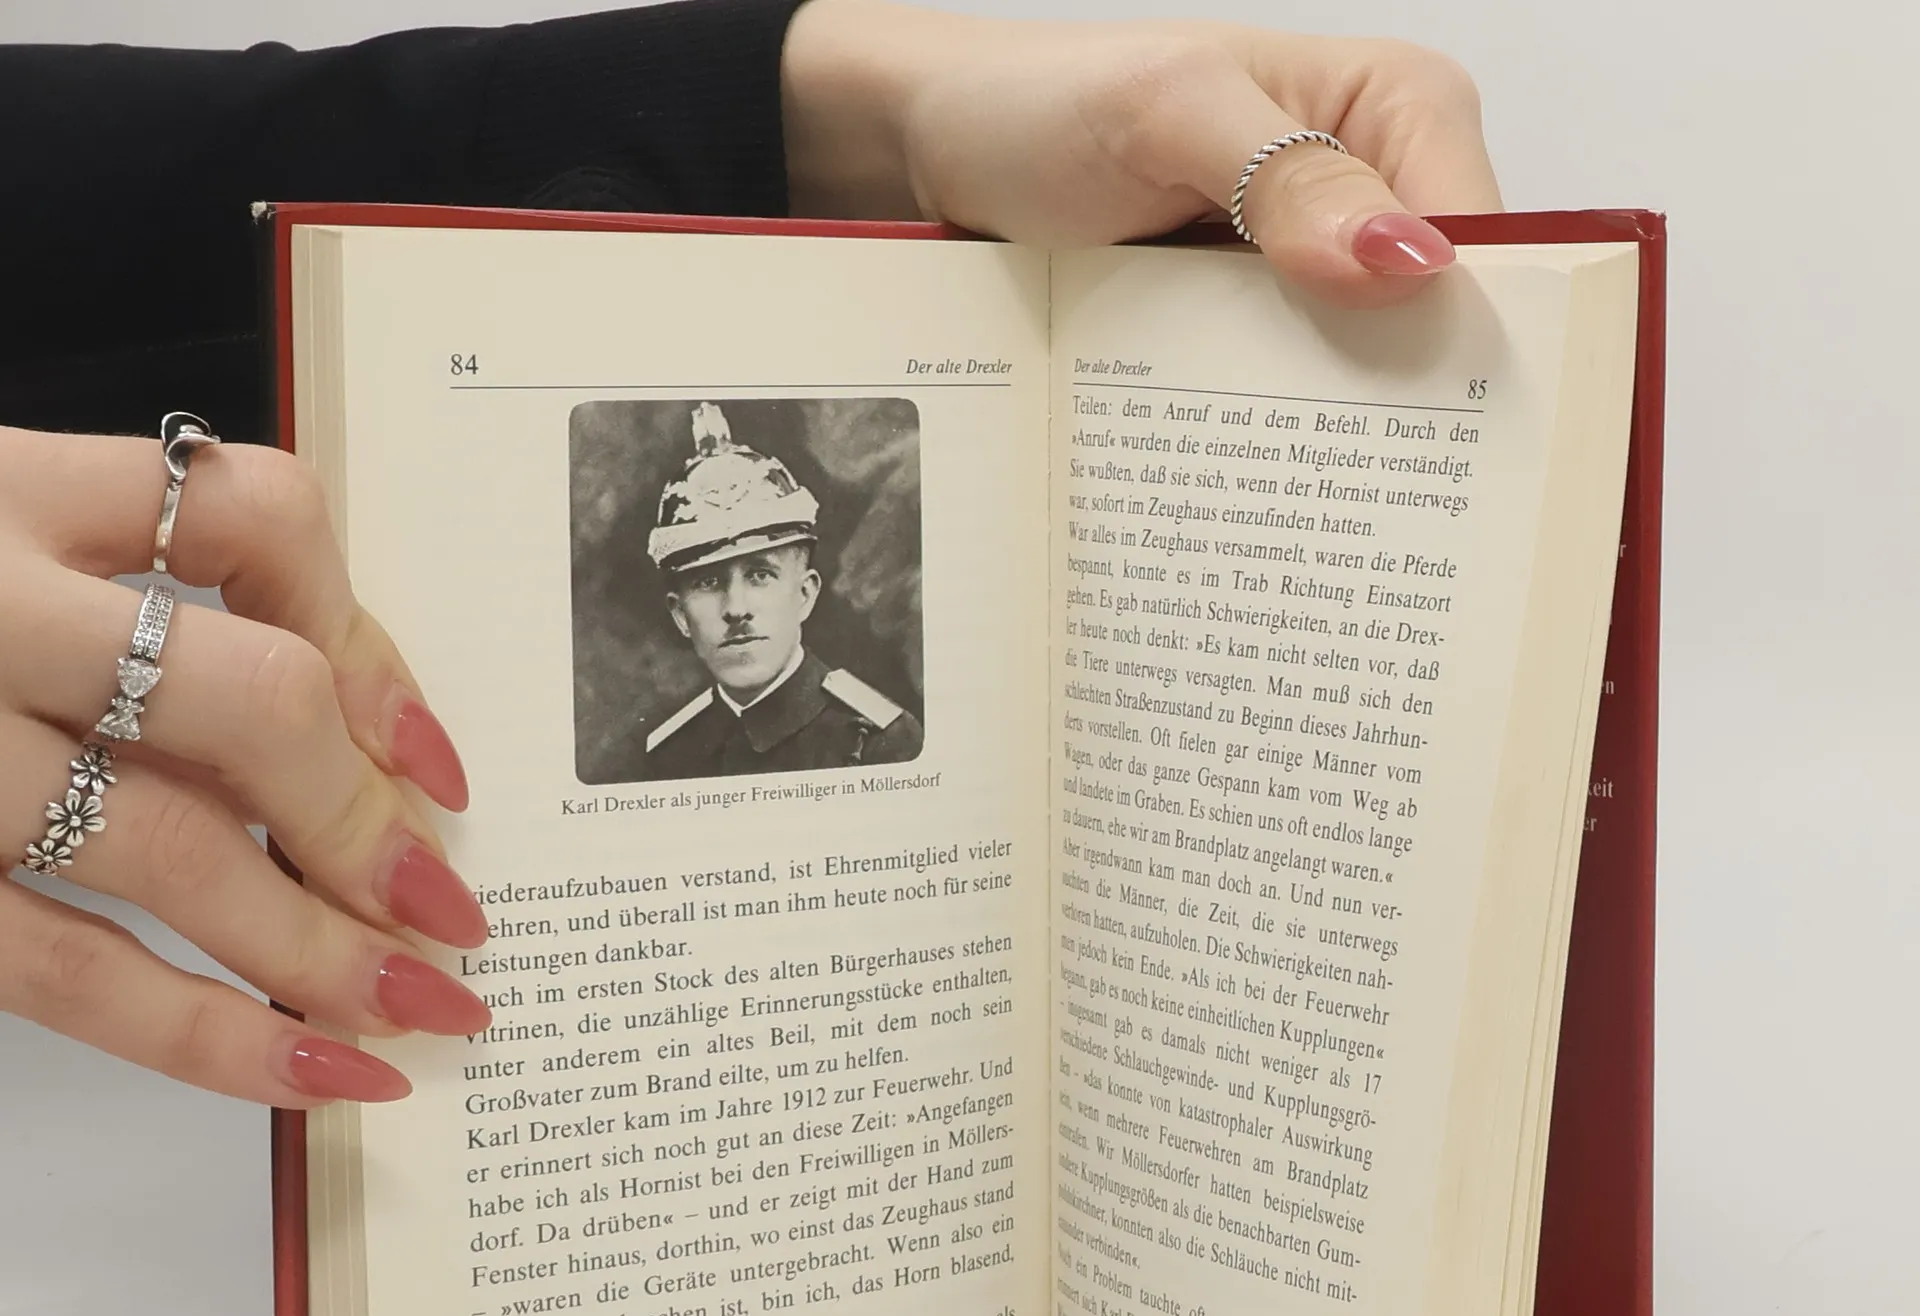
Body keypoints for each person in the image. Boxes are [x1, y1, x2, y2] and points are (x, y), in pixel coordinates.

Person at [0, 0, 1500, 1108]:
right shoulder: (653, 740)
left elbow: (198, 170)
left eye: (752, 572)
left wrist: (880, 112)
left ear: (807, 583)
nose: (724, 603)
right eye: (699, 580)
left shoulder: (875, 720)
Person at [637, 402, 922, 780]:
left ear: (805, 594)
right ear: (679, 615)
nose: (736, 608)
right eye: (708, 582)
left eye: (760, 575)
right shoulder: (666, 754)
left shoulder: (881, 744)